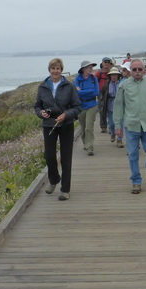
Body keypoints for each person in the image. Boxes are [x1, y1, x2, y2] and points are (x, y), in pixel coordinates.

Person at [113, 58, 146, 194]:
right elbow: (118, 106)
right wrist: (117, 126)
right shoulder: (124, 86)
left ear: (144, 70)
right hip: (132, 126)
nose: (137, 72)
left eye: (139, 69)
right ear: (130, 70)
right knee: (133, 155)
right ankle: (136, 181)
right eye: (134, 69)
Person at [34, 58, 81, 201]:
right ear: (49, 70)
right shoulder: (42, 87)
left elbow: (77, 107)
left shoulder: (69, 86)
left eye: (58, 68)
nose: (55, 71)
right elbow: (37, 106)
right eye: (53, 68)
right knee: (49, 156)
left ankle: (65, 189)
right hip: (49, 124)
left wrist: (66, 114)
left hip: (66, 125)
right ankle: (54, 179)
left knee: (66, 158)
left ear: (61, 70)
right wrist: (40, 113)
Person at [74, 59, 100, 156]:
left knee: (89, 127)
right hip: (81, 106)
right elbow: (76, 93)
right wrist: (90, 90)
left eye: (91, 67)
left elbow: (97, 92)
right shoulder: (77, 79)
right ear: (83, 69)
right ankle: (86, 143)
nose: (91, 69)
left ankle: (90, 147)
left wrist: (83, 91)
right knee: (83, 127)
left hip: (92, 105)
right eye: (89, 67)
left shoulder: (94, 79)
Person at [99, 66, 123, 146]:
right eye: (112, 75)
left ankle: (119, 140)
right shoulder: (107, 84)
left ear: (118, 76)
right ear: (110, 76)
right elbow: (103, 94)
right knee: (112, 124)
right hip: (110, 104)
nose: (113, 76)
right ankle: (113, 133)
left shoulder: (121, 83)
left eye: (115, 75)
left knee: (120, 123)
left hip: (120, 105)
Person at [95, 57, 114, 132]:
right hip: (101, 93)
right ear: (102, 63)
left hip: (111, 93)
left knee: (111, 109)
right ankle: (103, 126)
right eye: (105, 62)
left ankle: (110, 126)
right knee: (102, 109)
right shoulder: (99, 72)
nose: (106, 63)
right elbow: (94, 81)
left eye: (108, 62)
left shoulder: (112, 71)